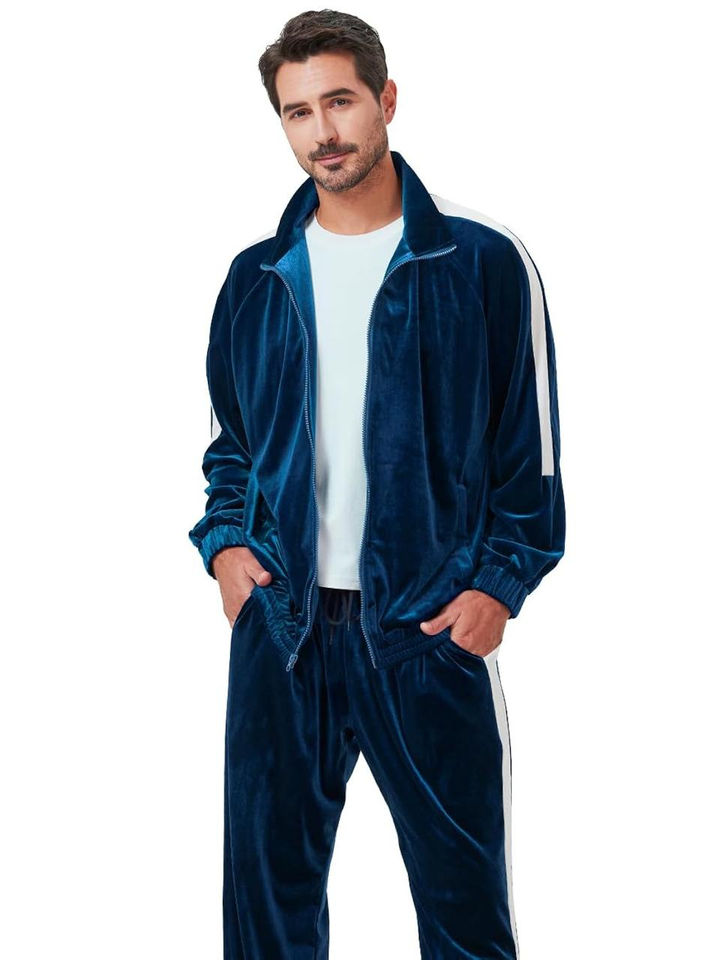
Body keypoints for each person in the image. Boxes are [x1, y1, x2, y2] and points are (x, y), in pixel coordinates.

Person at [188, 10, 565, 959]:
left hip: (427, 631)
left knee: (465, 917)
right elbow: (230, 445)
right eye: (297, 112)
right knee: (264, 917)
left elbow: (532, 456)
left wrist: (497, 587)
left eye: (340, 102)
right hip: (282, 631)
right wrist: (227, 550)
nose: (322, 132)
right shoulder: (256, 277)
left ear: (386, 99)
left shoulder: (480, 262)